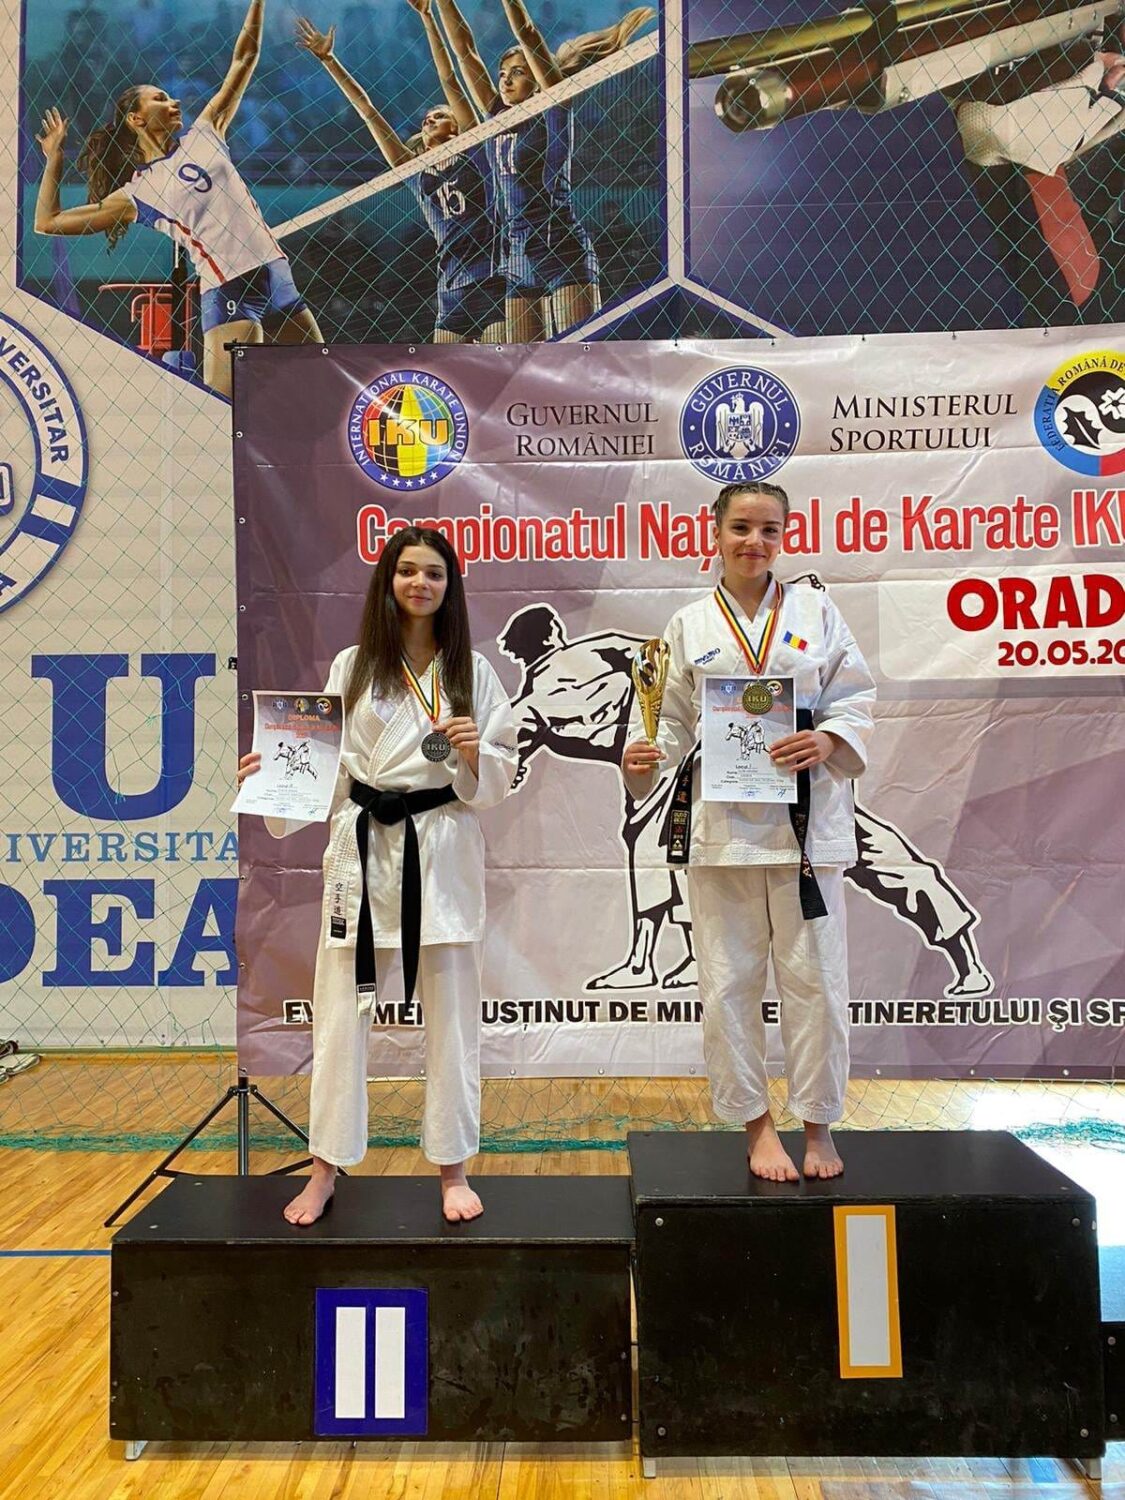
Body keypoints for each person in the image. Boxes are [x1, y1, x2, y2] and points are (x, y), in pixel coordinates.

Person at [237, 527, 518, 1224]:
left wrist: (475, 753)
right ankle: (324, 1168)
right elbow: (324, 763)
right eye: (407, 571)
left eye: (434, 574)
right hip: (362, 850)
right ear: (387, 582)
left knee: (452, 1021)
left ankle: (453, 1169)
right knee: (338, 1021)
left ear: (451, 588)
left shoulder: (473, 672)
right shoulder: (352, 665)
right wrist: (274, 776)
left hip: (440, 849)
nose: (421, 584)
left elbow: (501, 772)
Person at [621, 481, 876, 1182]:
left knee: (817, 985)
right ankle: (756, 1127)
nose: (753, 542)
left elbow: (854, 696)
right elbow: (670, 721)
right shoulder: (688, 625)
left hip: (804, 829)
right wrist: (644, 757)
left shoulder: (816, 612)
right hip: (723, 829)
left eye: (768, 530)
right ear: (715, 533)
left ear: (784, 537)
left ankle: (818, 1125)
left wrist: (828, 739)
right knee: (728, 984)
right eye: (740, 527)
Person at [33, 0, 323, 398]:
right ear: (136, 118)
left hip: (276, 274)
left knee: (321, 388)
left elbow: (244, 57)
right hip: (230, 287)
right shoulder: (137, 192)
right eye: (160, 98)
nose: (175, 102)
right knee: (224, 407)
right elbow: (47, 223)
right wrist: (54, 159)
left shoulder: (205, 132)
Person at [435, 0, 653, 338]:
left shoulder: (553, 104)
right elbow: (465, 51)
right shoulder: (495, 115)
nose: (505, 80)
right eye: (502, 73)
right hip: (516, 258)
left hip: (559, 246)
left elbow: (528, 33)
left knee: (576, 356)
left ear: (537, 79)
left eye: (518, 72)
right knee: (525, 361)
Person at [295, 0, 506, 343]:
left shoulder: (474, 150)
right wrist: (330, 61)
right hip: (451, 287)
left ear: (457, 126)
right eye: (426, 118)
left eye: (440, 115)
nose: (429, 119)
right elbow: (367, 110)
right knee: (450, 372)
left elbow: (449, 79)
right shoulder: (415, 172)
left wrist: (427, 17)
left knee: (504, 364)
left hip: (493, 279)